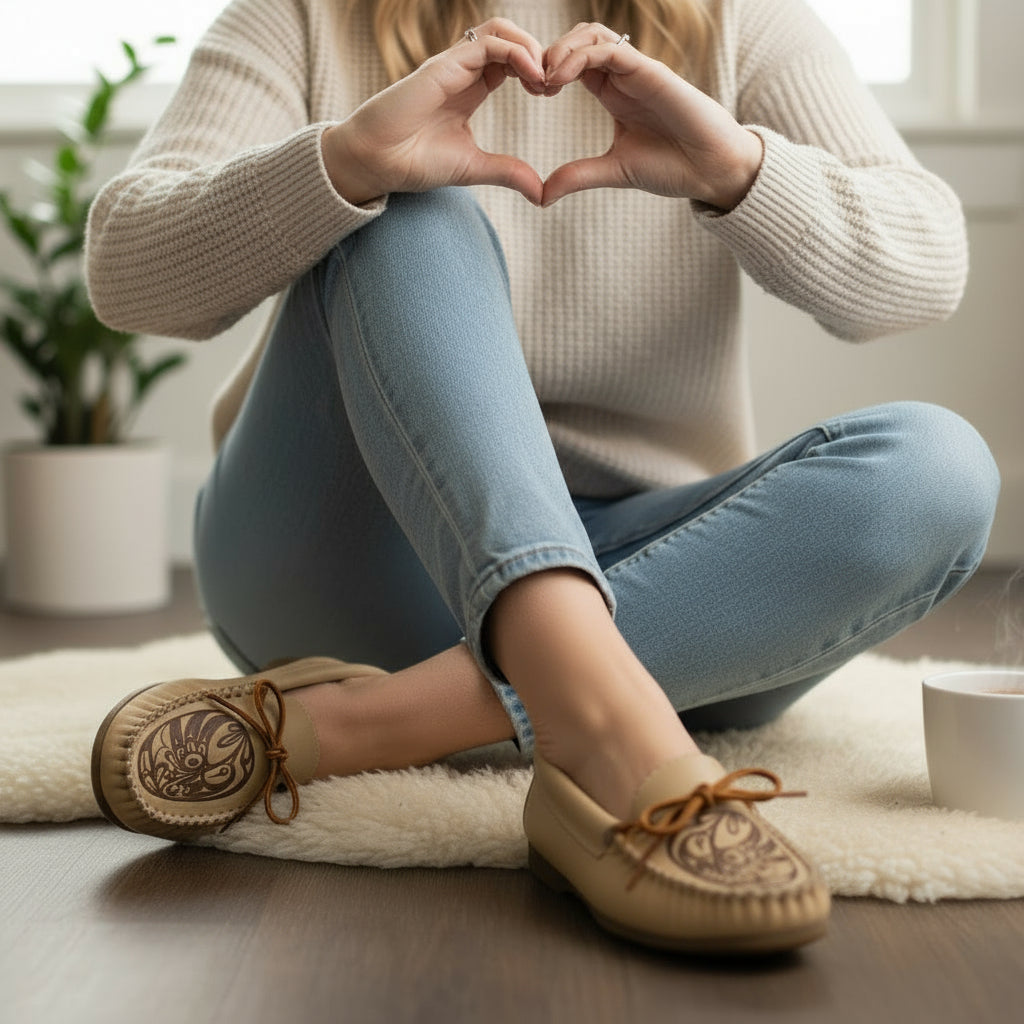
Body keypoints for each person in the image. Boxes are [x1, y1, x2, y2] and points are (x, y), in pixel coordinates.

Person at [86, 0, 999, 955]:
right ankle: (612, 733)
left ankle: (364, 724)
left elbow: (925, 268)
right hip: (352, 557)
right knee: (413, 204)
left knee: (937, 472)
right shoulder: (300, 18)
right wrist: (347, 161)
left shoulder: (747, 25)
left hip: (661, 576)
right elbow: (125, 269)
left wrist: (739, 170)